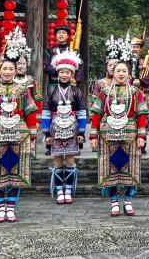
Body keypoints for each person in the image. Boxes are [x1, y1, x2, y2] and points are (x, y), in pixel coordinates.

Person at [0, 39, 39, 224]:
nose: (8, 72)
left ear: (15, 71)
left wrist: (32, 137)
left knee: (14, 170)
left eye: (11, 69)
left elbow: (30, 114)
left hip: (18, 135)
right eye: (5, 69)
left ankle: (11, 206)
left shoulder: (23, 90)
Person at [90, 38, 149, 217]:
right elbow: (97, 114)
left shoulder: (135, 92)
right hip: (108, 135)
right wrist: (93, 136)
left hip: (130, 134)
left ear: (129, 73)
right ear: (113, 73)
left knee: (130, 167)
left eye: (124, 71)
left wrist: (141, 135)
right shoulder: (104, 91)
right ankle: (114, 202)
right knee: (111, 167)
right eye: (118, 71)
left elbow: (141, 115)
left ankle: (129, 202)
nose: (121, 74)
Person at [42, 49, 87, 205]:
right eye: (61, 71)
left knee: (69, 160)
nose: (64, 75)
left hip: (72, 129)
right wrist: (46, 133)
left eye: (67, 72)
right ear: (57, 73)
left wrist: (82, 131)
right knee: (57, 161)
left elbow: (81, 113)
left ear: (72, 74)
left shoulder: (77, 92)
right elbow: (46, 113)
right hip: (55, 130)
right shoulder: (51, 92)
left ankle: (68, 190)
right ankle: (59, 191)